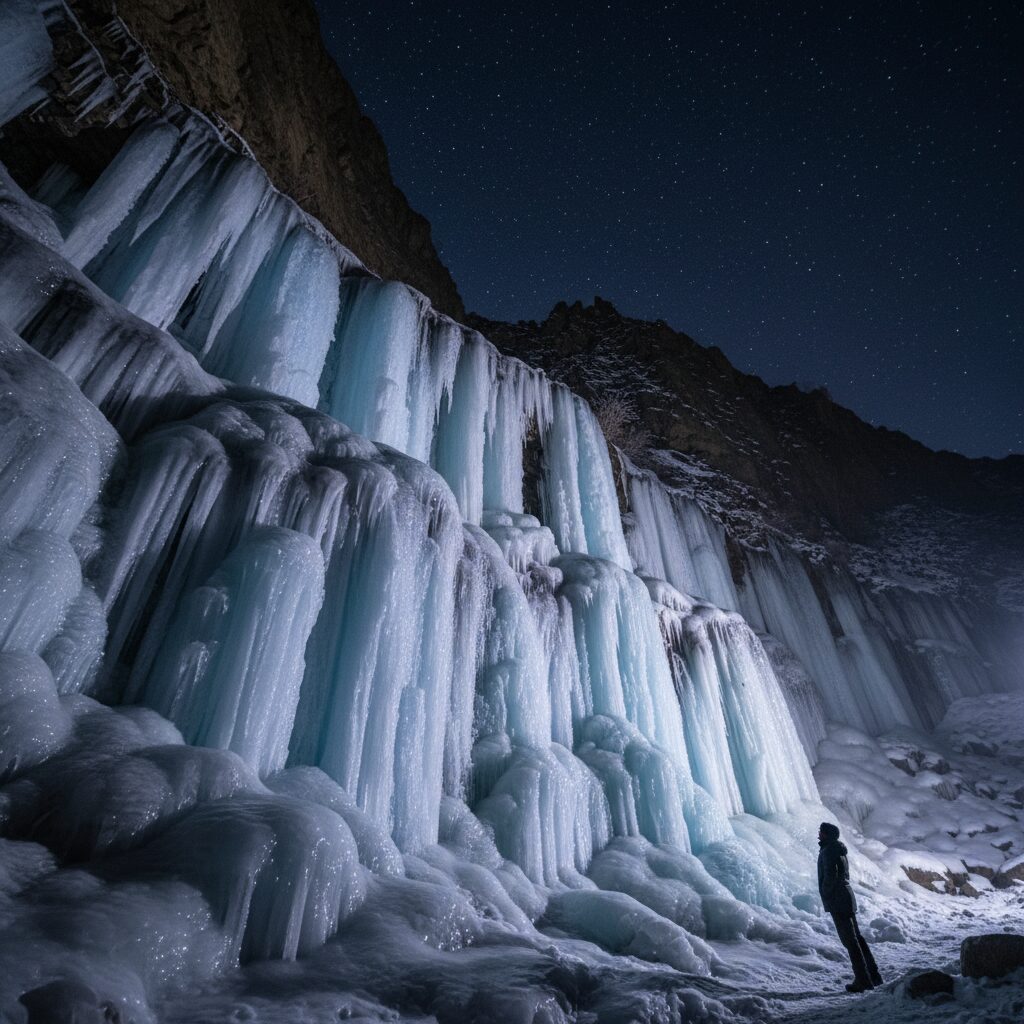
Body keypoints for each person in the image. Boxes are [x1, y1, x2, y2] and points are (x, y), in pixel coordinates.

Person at [817, 821, 882, 993]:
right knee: (857, 938)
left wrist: (826, 892)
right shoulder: (837, 849)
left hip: (838, 899)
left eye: (821, 832)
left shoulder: (829, 850)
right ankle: (873, 975)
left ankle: (863, 979)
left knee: (850, 941)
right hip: (846, 897)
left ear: (827, 835)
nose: (818, 834)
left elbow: (831, 875)